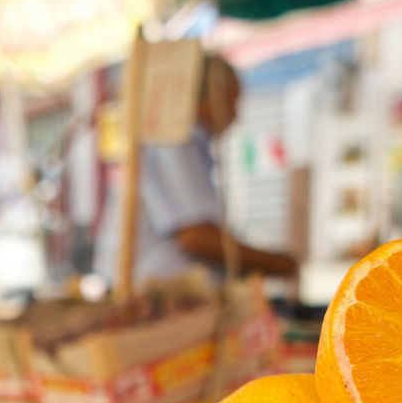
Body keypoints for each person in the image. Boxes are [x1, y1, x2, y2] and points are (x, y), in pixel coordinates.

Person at [95, 54, 299, 290]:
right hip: (155, 298)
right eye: (233, 101)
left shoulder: (185, 144)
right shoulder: (173, 141)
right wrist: (278, 263)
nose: (235, 115)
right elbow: (196, 237)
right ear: (211, 97)